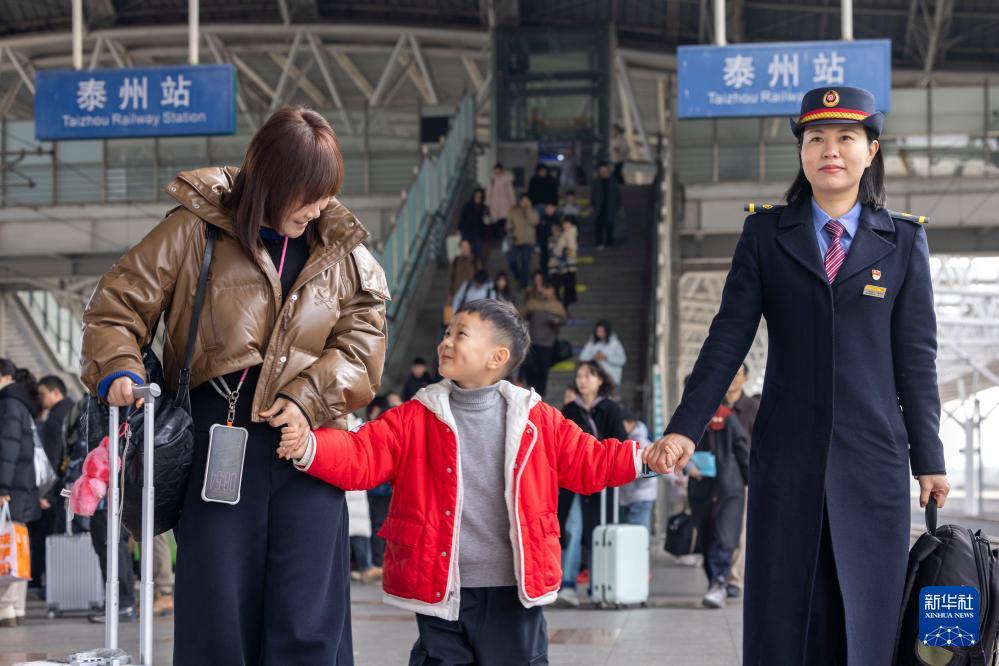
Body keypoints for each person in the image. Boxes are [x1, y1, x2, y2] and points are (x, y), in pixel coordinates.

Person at [643, 87, 951, 665]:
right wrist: (685, 428)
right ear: (802, 152)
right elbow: (726, 340)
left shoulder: (903, 240)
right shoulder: (766, 235)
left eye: (845, 138)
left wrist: (928, 458)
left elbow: (916, 359)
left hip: (873, 461)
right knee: (785, 615)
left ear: (871, 150)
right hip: (786, 458)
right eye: (816, 139)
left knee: (867, 616)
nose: (829, 150)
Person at [80, 106, 390, 664]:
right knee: (217, 616)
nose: (318, 208)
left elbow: (362, 350)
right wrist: (120, 367)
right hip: (215, 441)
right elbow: (115, 306)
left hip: (309, 446)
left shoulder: (345, 253)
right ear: (271, 181)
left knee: (309, 619)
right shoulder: (193, 228)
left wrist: (306, 398)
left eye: (327, 194)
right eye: (308, 195)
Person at [279, 299, 651, 664]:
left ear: (496, 358)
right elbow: (362, 453)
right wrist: (309, 445)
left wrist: (645, 459)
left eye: (461, 334)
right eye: (446, 332)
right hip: (441, 589)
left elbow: (590, 460)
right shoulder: (416, 416)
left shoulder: (536, 419)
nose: (446, 341)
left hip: (513, 591)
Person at [557, 362, 628, 604]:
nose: (583, 380)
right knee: (573, 528)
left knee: (600, 531)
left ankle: (600, 585)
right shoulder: (569, 409)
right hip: (574, 481)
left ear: (600, 381)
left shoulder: (611, 409)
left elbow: (620, 441)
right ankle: (568, 584)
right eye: (580, 376)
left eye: (589, 376)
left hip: (602, 483)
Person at [685, 399, 749, 610]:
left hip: (728, 488)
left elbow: (741, 449)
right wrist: (688, 467)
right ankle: (715, 582)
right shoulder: (689, 420)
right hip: (706, 488)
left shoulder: (727, 419)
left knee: (723, 535)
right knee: (706, 535)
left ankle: (719, 581)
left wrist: (749, 479)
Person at [0, 359, 41, 628]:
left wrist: (2, 487)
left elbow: (8, 447)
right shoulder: (22, 403)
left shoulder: (8, 403)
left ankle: (4, 609)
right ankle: (16, 608)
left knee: (5, 546)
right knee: (17, 547)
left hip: (11, 488)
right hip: (23, 487)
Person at [29, 375, 75, 588]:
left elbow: (51, 459)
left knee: (49, 536)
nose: (41, 399)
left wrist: (44, 493)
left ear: (56, 392)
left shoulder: (55, 417)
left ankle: (50, 584)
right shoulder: (74, 410)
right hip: (72, 483)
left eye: (43, 394)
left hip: (57, 487)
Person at [724, 362, 759, 599]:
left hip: (743, 476)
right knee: (715, 527)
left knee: (740, 530)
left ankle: (734, 578)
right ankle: (718, 573)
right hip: (715, 477)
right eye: (731, 374)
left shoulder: (752, 407)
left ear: (745, 379)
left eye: (738, 374)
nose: (733, 379)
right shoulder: (714, 407)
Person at [520, 282, 567, 397]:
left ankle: (540, 396)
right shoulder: (532, 302)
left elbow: (564, 319)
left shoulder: (556, 304)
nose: (545, 292)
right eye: (544, 289)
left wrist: (557, 321)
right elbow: (521, 315)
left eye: (548, 289)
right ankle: (530, 392)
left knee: (543, 370)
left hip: (547, 343)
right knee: (530, 368)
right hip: (532, 341)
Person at [618, 407, 656, 530]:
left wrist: (629, 473)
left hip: (640, 496)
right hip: (630, 496)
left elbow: (652, 469)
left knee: (639, 535)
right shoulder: (629, 440)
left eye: (621, 423)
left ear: (630, 423)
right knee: (635, 535)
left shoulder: (641, 442)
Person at [578, 320, 627, 388]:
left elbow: (622, 360)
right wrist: (593, 358)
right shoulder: (591, 343)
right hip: (595, 381)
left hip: (612, 380)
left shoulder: (615, 344)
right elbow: (582, 358)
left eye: (602, 331)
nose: (600, 333)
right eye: (598, 331)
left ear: (607, 331)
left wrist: (606, 357)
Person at [506, 194, 539, 288]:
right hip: (515, 241)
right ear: (519, 202)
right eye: (522, 201)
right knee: (511, 261)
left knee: (525, 263)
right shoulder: (513, 211)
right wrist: (509, 229)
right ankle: (518, 275)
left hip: (528, 242)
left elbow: (535, 222)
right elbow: (508, 224)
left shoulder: (533, 212)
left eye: (526, 201)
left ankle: (523, 285)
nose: (524, 203)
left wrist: (528, 210)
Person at [549, 217, 578, 310]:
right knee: (558, 286)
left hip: (568, 266)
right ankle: (561, 306)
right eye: (564, 224)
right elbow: (556, 252)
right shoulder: (555, 238)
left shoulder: (570, 233)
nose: (565, 226)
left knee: (569, 286)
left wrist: (563, 249)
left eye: (567, 223)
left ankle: (565, 306)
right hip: (559, 267)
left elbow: (571, 250)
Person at [591, 161, 621, 250]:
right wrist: (591, 205)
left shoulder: (614, 181)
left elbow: (617, 195)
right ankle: (599, 243)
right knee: (598, 225)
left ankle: (609, 243)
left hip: (610, 206)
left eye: (604, 170)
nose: (603, 172)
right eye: (601, 170)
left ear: (608, 170)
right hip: (599, 207)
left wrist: (619, 206)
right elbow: (593, 195)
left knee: (610, 225)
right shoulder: (596, 182)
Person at [485, 163, 516, 246]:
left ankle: (505, 241)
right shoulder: (492, 180)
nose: (497, 173)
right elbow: (488, 192)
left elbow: (511, 192)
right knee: (495, 223)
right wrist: (487, 203)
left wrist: (512, 203)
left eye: (499, 171)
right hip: (494, 204)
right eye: (496, 171)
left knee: (504, 222)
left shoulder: (507, 180)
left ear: (502, 170)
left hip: (505, 204)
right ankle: (497, 240)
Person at [458, 188, 487, 261]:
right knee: (468, 253)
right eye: (477, 196)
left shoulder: (484, 208)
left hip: (478, 234)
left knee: (477, 253)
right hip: (468, 233)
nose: (478, 199)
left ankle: (475, 264)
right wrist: (458, 229)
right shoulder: (467, 207)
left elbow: (486, 222)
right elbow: (462, 219)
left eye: (480, 197)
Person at [448, 239, 479, 307]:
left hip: (472, 294)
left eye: (466, 246)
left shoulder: (475, 260)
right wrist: (450, 295)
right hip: (458, 295)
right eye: (462, 247)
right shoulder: (456, 261)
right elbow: (451, 279)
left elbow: (480, 277)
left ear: (470, 247)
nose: (464, 249)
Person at [537, 203, 559, 280]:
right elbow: (538, 231)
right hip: (544, 245)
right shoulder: (542, 219)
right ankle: (546, 279)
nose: (549, 210)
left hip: (555, 245)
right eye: (547, 208)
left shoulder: (558, 219)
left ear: (554, 208)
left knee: (555, 263)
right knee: (544, 262)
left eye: (550, 208)